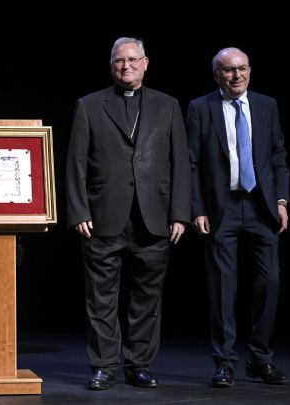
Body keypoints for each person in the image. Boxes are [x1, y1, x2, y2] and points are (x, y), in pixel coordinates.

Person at [66, 37, 191, 390]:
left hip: (154, 216)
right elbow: (75, 163)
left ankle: (139, 365)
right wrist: (78, 210)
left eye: (133, 60)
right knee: (101, 297)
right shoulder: (89, 105)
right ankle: (104, 365)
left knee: (147, 298)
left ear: (146, 63)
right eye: (120, 61)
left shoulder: (168, 106)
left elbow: (181, 163)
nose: (126, 66)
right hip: (103, 216)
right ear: (111, 65)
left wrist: (180, 213)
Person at [186, 47, 290, 388]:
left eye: (242, 68)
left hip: (261, 206)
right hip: (222, 207)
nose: (237, 76)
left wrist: (281, 199)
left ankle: (260, 359)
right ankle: (225, 362)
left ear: (250, 70)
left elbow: (277, 154)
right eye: (229, 70)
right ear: (217, 74)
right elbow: (192, 163)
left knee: (269, 282)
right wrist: (197, 207)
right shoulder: (201, 108)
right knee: (222, 288)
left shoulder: (266, 105)